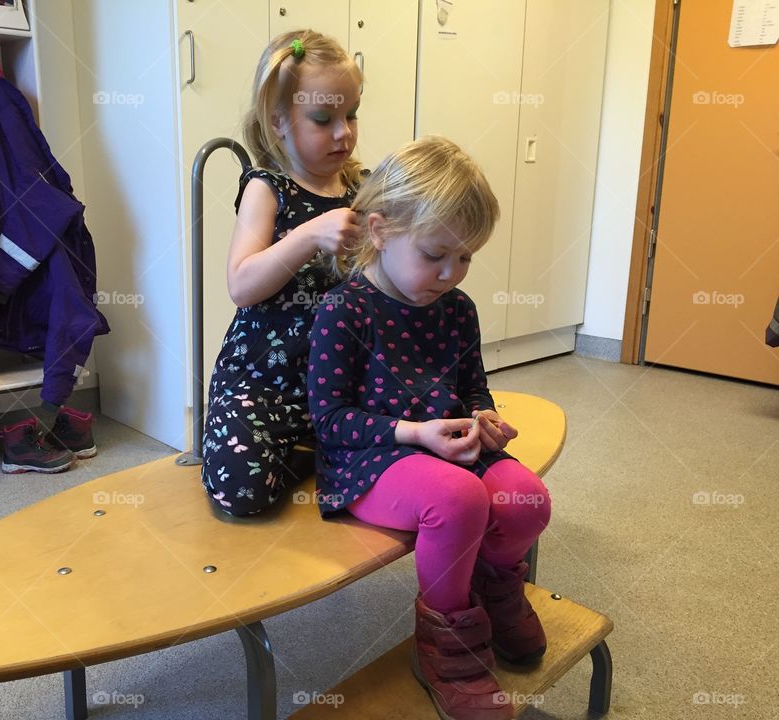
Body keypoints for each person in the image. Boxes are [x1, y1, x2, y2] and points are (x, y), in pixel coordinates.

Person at [308, 136, 551, 720]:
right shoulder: (344, 310)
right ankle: (449, 645)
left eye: (465, 257)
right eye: (435, 254)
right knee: (459, 498)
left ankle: (496, 588)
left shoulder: (457, 307)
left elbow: (472, 387)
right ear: (379, 231)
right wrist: (414, 434)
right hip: (372, 457)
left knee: (526, 503)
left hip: (449, 447)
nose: (451, 272)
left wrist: (484, 418)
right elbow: (331, 422)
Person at [201, 30, 363, 516]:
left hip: (341, 384)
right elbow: (241, 286)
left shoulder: (363, 186)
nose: (344, 133)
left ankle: (314, 449)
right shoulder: (267, 189)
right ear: (279, 122)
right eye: (323, 119)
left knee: (418, 444)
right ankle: (298, 454)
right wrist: (309, 235)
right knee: (241, 492)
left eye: (352, 114)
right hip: (262, 384)